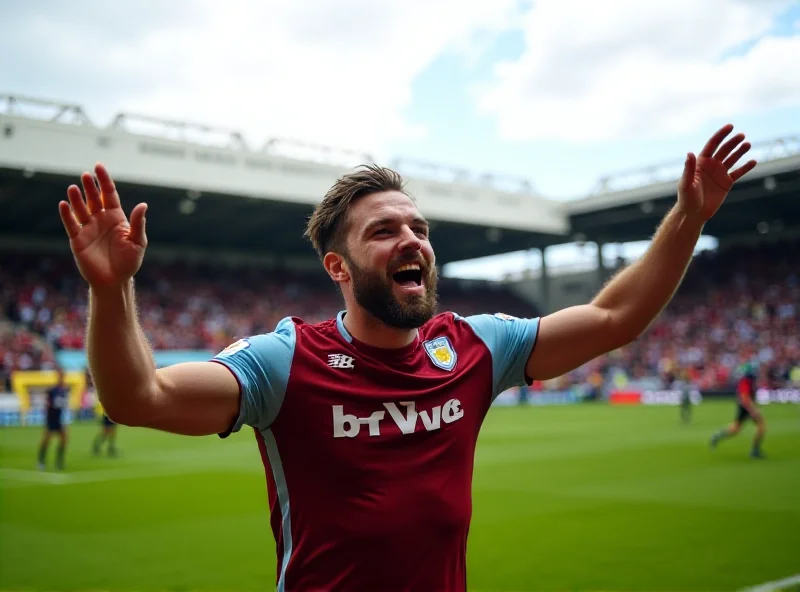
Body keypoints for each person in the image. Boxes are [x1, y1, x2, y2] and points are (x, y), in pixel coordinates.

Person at [58, 124, 755, 591]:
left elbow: (613, 317)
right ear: (338, 265)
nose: (412, 239)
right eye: (384, 230)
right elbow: (137, 397)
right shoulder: (286, 360)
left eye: (419, 227)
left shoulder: (477, 345)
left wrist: (689, 219)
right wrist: (113, 288)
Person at [710, 364, 766, 458]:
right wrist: (753, 409)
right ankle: (755, 451)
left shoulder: (749, 381)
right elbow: (744, 398)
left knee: (736, 429)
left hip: (745, 406)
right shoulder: (745, 381)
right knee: (761, 426)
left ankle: (717, 436)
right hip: (746, 407)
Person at [37, 367, 70, 471]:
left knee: (64, 440)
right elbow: (47, 404)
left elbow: (63, 405)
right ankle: (41, 461)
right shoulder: (52, 390)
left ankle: (59, 462)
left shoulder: (65, 390)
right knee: (46, 440)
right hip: (51, 418)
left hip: (60, 419)